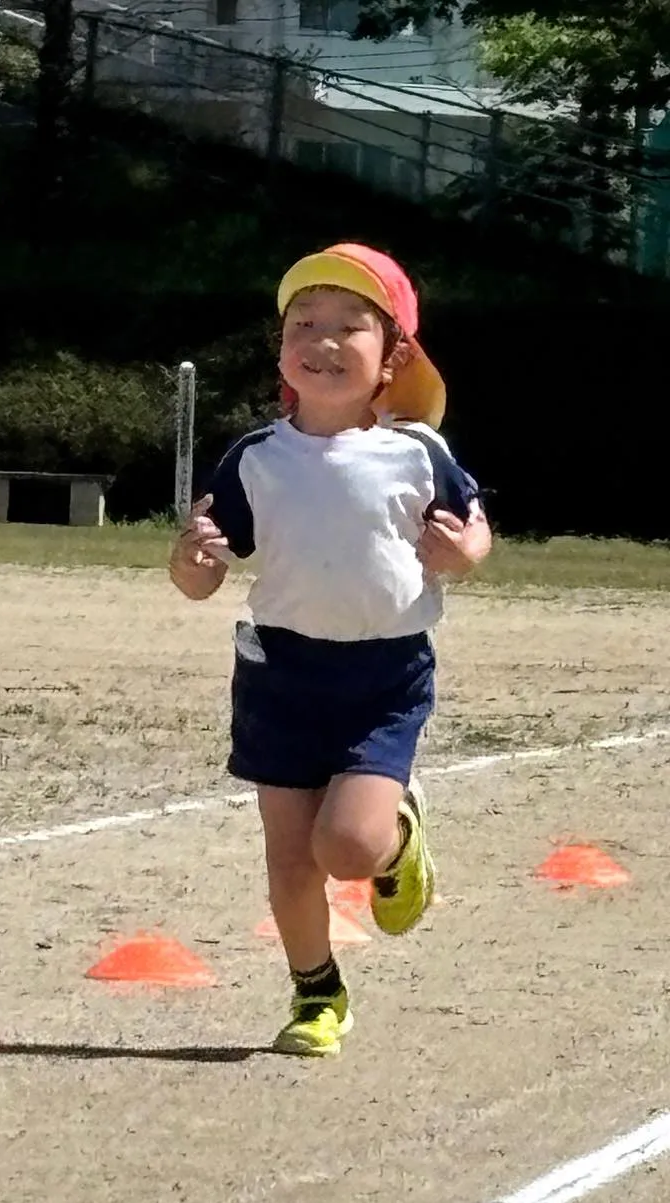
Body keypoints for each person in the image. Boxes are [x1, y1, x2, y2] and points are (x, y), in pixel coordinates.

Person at [169, 242, 492, 1057]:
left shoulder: (417, 451)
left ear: (393, 357)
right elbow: (204, 576)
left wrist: (464, 554)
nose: (322, 339)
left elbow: (473, 528)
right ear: (281, 351)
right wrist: (190, 560)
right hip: (280, 674)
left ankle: (398, 841)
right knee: (290, 857)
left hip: (383, 674)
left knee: (345, 846)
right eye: (303, 324)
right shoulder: (256, 458)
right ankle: (317, 992)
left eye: (350, 326)